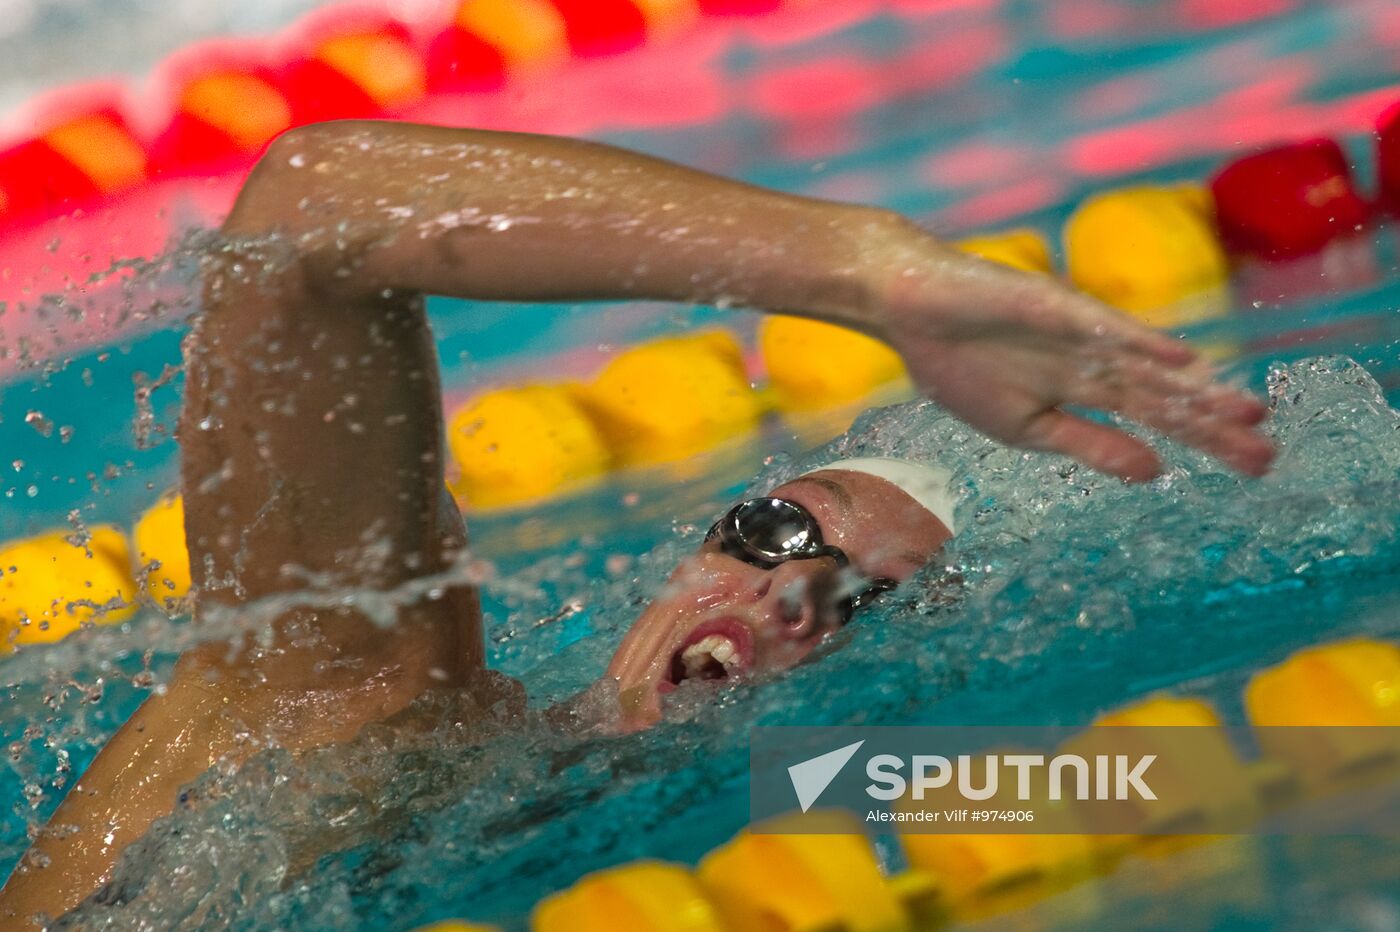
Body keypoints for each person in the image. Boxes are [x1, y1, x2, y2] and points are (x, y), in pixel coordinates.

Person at [0, 120, 1274, 923]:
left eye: (857, 600)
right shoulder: (374, 701)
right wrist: (873, 272)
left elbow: (1190, 770)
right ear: (694, 548)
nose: (791, 596)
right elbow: (310, 209)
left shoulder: (764, 792)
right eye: (779, 532)